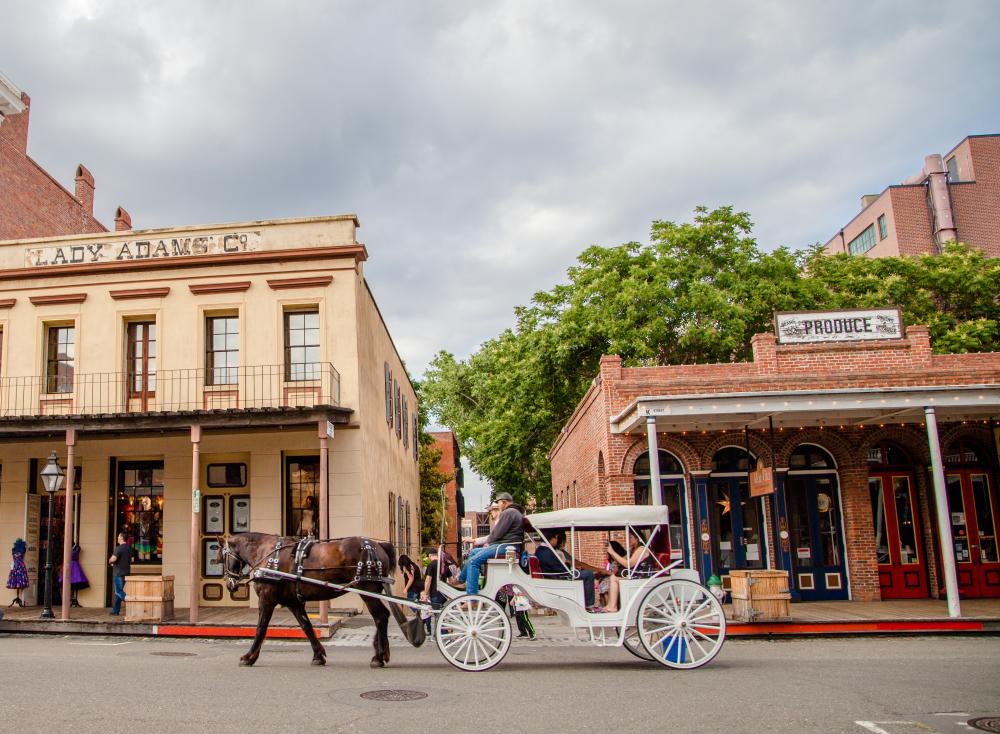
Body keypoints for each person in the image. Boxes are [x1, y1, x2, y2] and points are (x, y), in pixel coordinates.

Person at [450, 493, 523, 596]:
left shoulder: (508, 512)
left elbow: (496, 534)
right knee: (473, 552)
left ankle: (472, 597)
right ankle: (462, 581)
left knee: (472, 561)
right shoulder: (515, 512)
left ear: (504, 502)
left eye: (498, 503)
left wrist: (490, 543)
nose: (498, 505)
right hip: (508, 546)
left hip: (504, 547)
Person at [535, 531, 600, 612]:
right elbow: (561, 570)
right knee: (588, 573)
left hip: (553, 576)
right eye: (557, 538)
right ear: (554, 537)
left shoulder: (540, 550)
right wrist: (568, 565)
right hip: (558, 578)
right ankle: (589, 605)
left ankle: (585, 602)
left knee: (583, 572)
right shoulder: (547, 552)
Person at [603, 532, 656, 613]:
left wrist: (612, 552)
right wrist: (612, 552)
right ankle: (610, 605)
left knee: (613, 578)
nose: (628, 540)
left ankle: (612, 606)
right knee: (613, 577)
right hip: (636, 574)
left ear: (637, 539)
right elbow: (622, 560)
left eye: (630, 537)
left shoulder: (641, 549)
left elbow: (629, 564)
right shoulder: (633, 550)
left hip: (641, 576)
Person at [420, 546, 449, 636]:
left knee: (438, 615)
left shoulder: (431, 565)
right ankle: (441, 632)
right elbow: (451, 580)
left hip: (435, 593)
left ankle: (443, 634)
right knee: (442, 614)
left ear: (430, 556)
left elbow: (428, 580)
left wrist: (425, 594)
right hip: (444, 593)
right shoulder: (443, 564)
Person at [108, 532, 133, 616]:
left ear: (122, 538)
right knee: (118, 593)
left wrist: (110, 561)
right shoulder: (129, 548)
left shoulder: (118, 548)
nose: (117, 537)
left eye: (118, 536)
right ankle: (115, 611)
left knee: (118, 591)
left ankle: (132, 603)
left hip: (118, 573)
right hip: (126, 572)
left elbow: (113, 559)